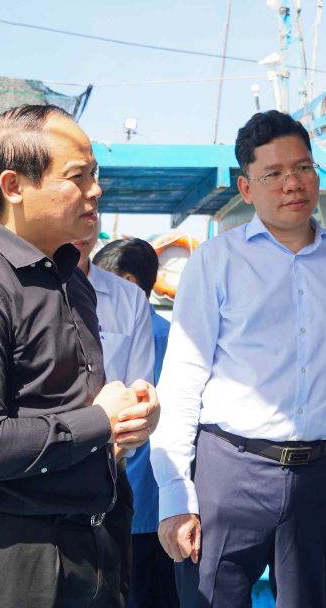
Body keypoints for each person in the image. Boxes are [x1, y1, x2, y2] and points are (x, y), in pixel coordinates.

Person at [0, 104, 160, 608]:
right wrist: (98, 422)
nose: (95, 190)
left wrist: (131, 419)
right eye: (77, 176)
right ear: (13, 185)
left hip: (92, 544)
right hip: (8, 560)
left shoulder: (72, 281)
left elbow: (71, 408)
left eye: (95, 174)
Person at [151, 110, 326, 608]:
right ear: (246, 188)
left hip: (322, 475)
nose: (293, 184)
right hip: (229, 471)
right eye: (274, 174)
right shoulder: (214, 263)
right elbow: (181, 383)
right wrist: (175, 498)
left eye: (303, 168)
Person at [94, 237, 179, 608]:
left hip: (141, 499)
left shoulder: (156, 336)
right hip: (148, 500)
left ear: (127, 284)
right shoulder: (168, 333)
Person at [72, 231, 156, 604]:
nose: (89, 202)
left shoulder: (128, 301)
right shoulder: (2, 287)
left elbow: (140, 397)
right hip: (37, 482)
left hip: (115, 478)